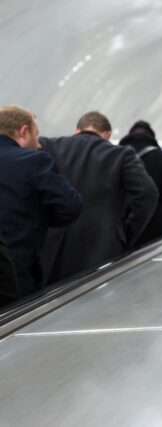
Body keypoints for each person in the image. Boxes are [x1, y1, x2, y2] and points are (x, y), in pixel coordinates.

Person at [39, 112, 158, 284]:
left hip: (56, 249)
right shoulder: (121, 154)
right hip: (104, 247)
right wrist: (126, 232)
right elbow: (148, 193)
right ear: (107, 134)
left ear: (76, 130)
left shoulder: (50, 146)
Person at [0, 105, 82, 303]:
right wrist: (38, 215)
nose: (39, 145)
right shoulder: (34, 161)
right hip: (16, 272)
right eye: (37, 136)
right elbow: (70, 207)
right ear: (23, 131)